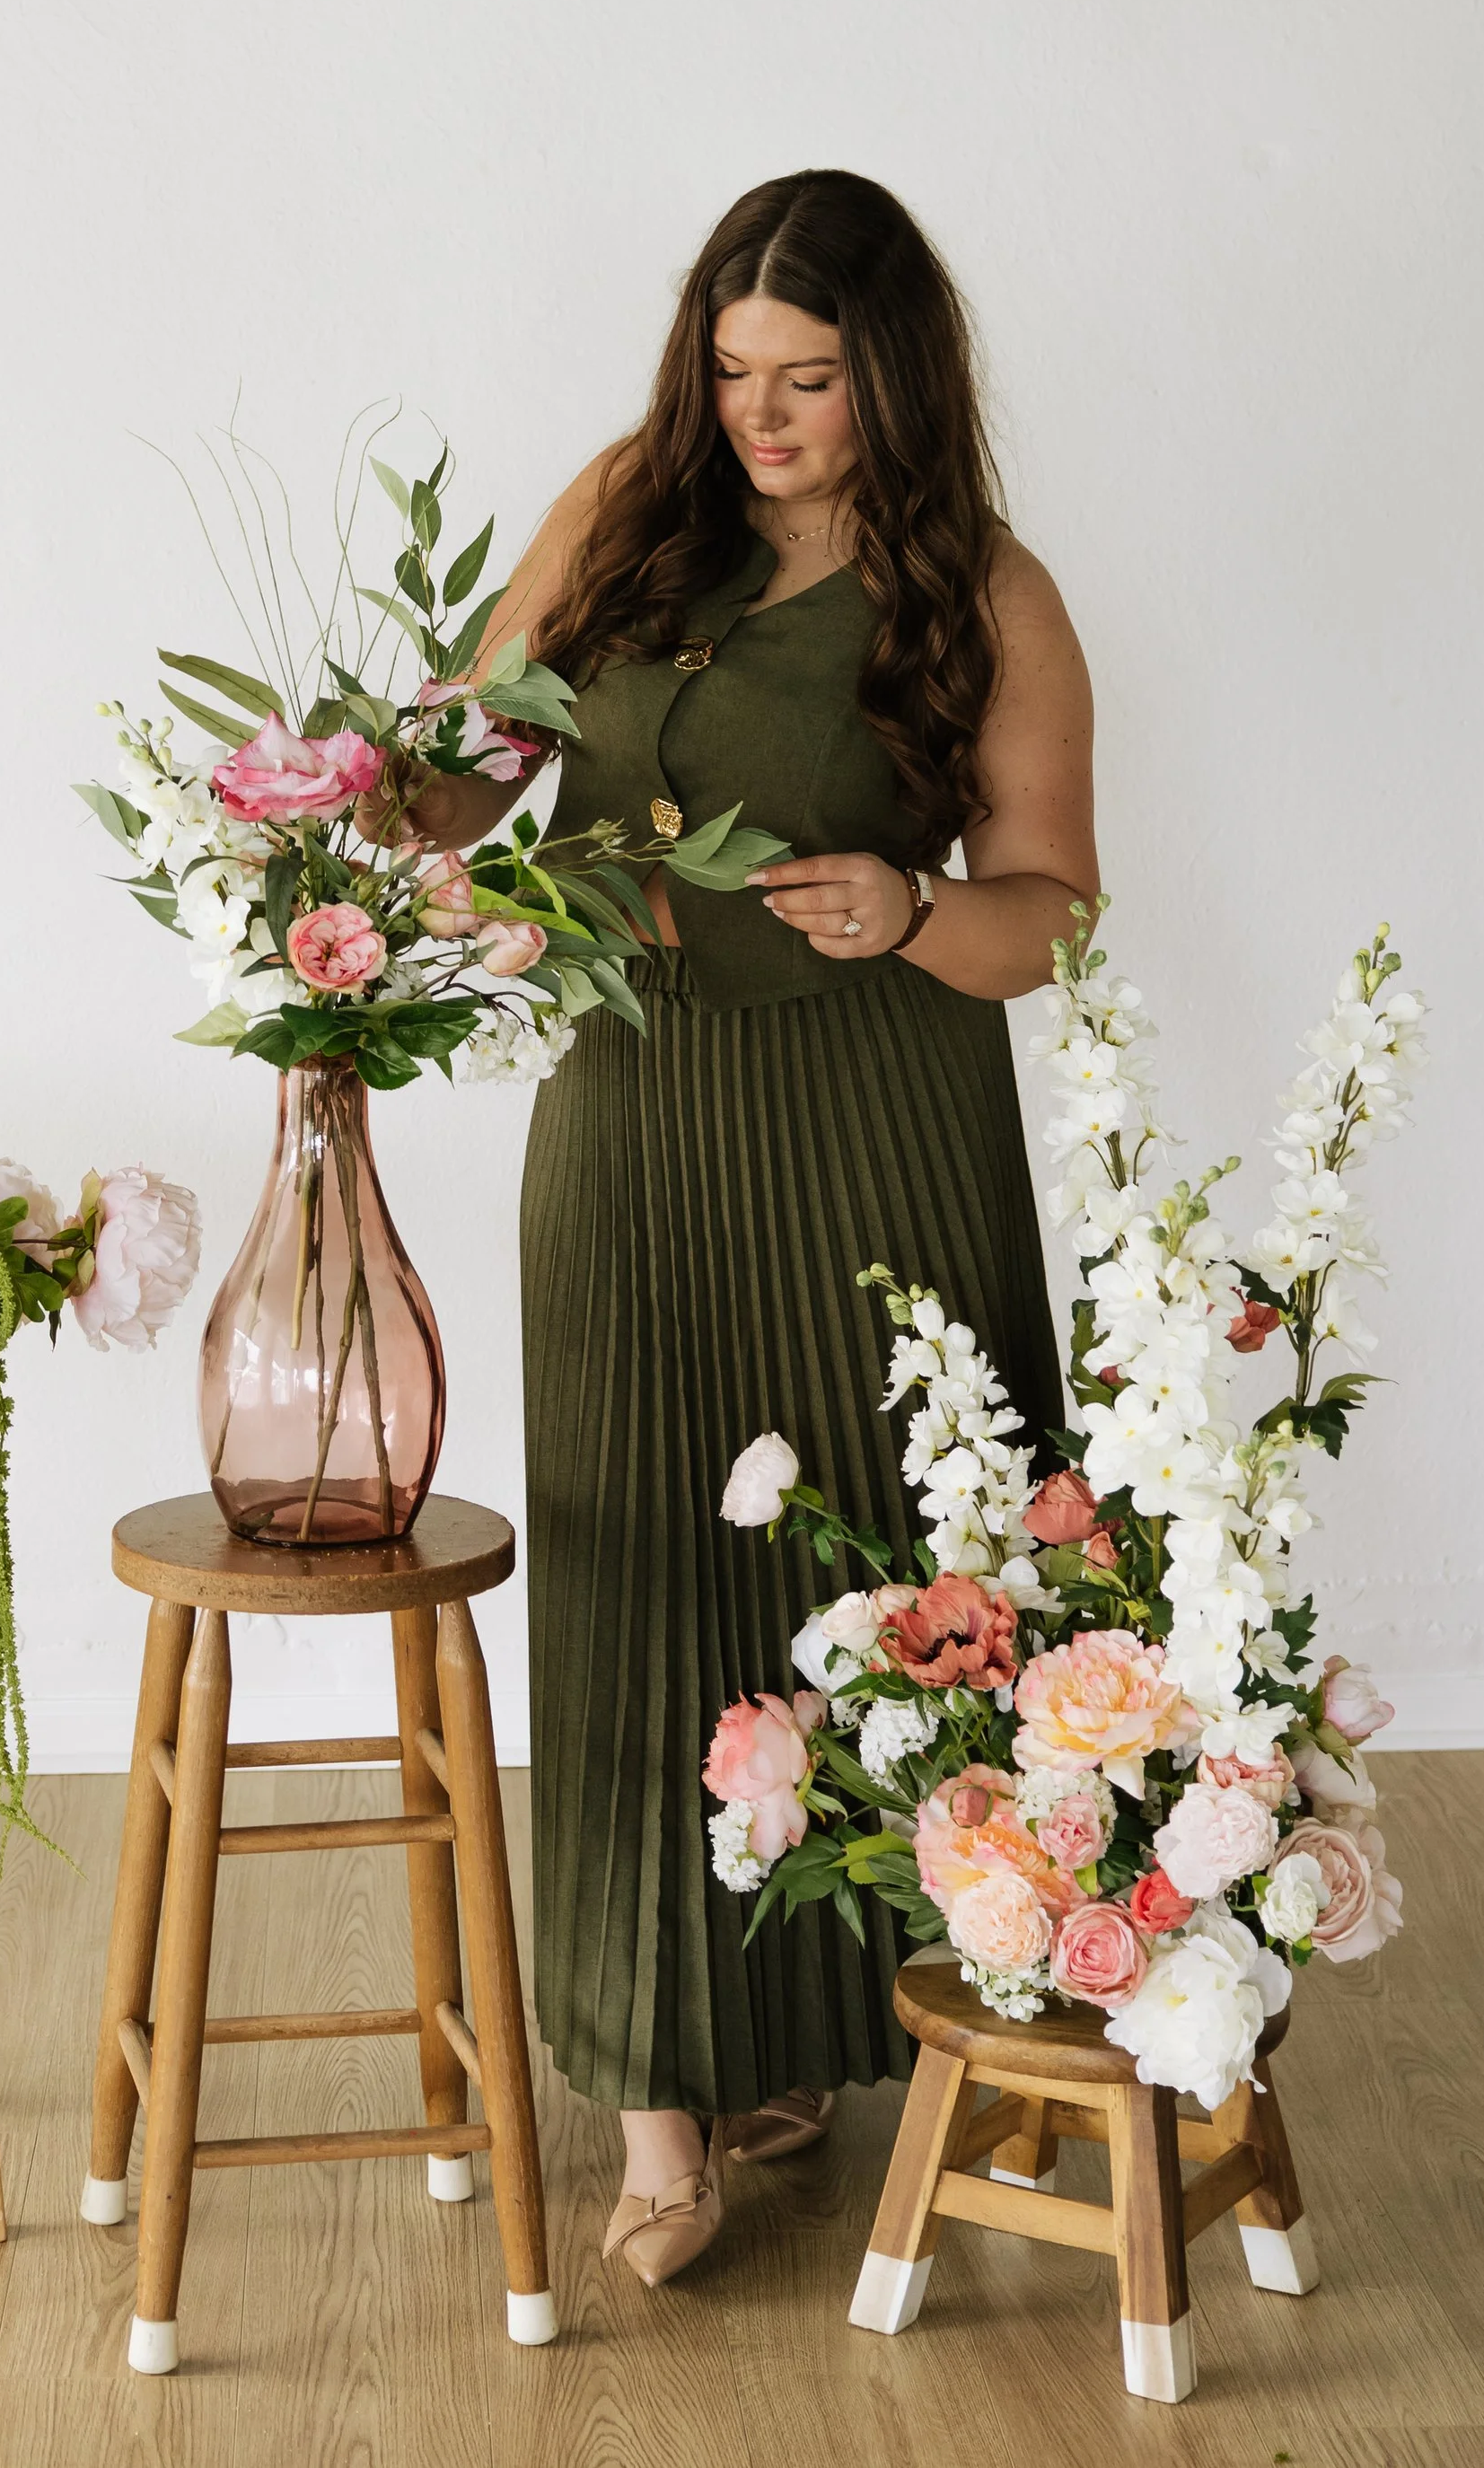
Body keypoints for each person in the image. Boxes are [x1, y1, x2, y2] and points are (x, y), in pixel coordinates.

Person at [387, 169, 1099, 2285]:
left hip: (882, 1131)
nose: (758, 416)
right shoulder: (626, 513)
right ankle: (655, 2104)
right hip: (633, 1118)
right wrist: (364, 827)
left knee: (888, 1590)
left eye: (805, 378)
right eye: (729, 370)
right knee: (637, 1575)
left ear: (896, 374)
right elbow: (459, 776)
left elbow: (1049, 913)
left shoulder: (983, 591)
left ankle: (839, 2030)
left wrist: (909, 905)